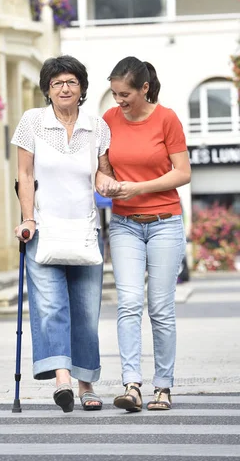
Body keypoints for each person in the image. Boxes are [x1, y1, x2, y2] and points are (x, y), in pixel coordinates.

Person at [11, 54, 120, 413]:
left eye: (71, 81)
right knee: (52, 307)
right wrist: (28, 219)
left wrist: (112, 184)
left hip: (86, 231)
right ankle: (63, 380)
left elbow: (101, 175)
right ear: (47, 88)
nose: (64, 88)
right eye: (57, 82)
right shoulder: (33, 122)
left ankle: (86, 381)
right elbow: (25, 175)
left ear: (82, 88)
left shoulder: (96, 126)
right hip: (44, 229)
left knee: (86, 312)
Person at [97, 56, 191, 412]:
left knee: (161, 308)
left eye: (124, 94)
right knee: (129, 303)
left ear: (144, 88)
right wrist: (105, 183)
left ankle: (163, 387)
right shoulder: (108, 120)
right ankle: (131, 385)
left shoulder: (167, 119)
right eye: (115, 93)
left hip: (165, 222)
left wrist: (138, 188)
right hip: (124, 225)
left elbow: (182, 173)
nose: (118, 100)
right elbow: (102, 170)